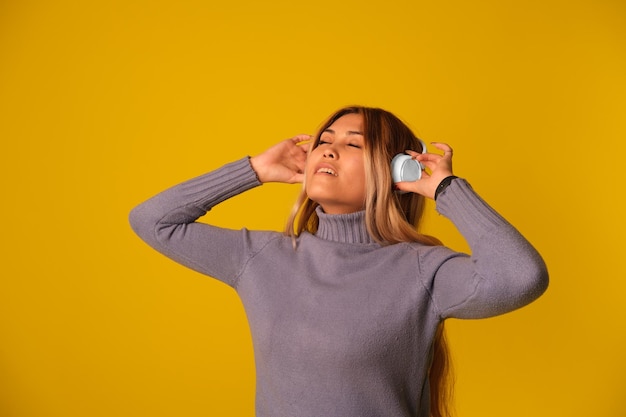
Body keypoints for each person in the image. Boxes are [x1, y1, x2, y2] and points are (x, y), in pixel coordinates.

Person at [129, 106, 549, 417]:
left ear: (397, 173)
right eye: (324, 141)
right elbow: (152, 221)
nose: (328, 151)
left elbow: (521, 276)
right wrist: (254, 170)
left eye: (352, 145)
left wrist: (446, 188)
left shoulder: (423, 271)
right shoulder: (261, 257)